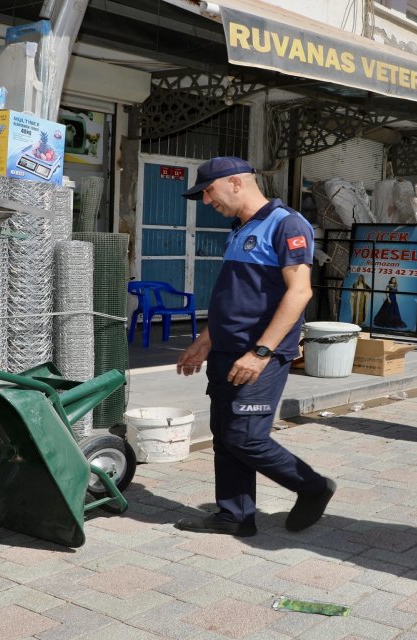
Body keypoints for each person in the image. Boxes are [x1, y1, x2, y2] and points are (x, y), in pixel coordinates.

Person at [173, 156, 336, 536]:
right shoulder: (240, 229)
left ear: (235, 183)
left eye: (209, 192)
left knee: (244, 436)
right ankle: (235, 515)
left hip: (259, 354)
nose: (207, 201)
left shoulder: (286, 223)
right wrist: (204, 341)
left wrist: (261, 352)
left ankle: (312, 487)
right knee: (225, 435)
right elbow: (234, 295)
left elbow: (300, 292)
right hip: (227, 352)